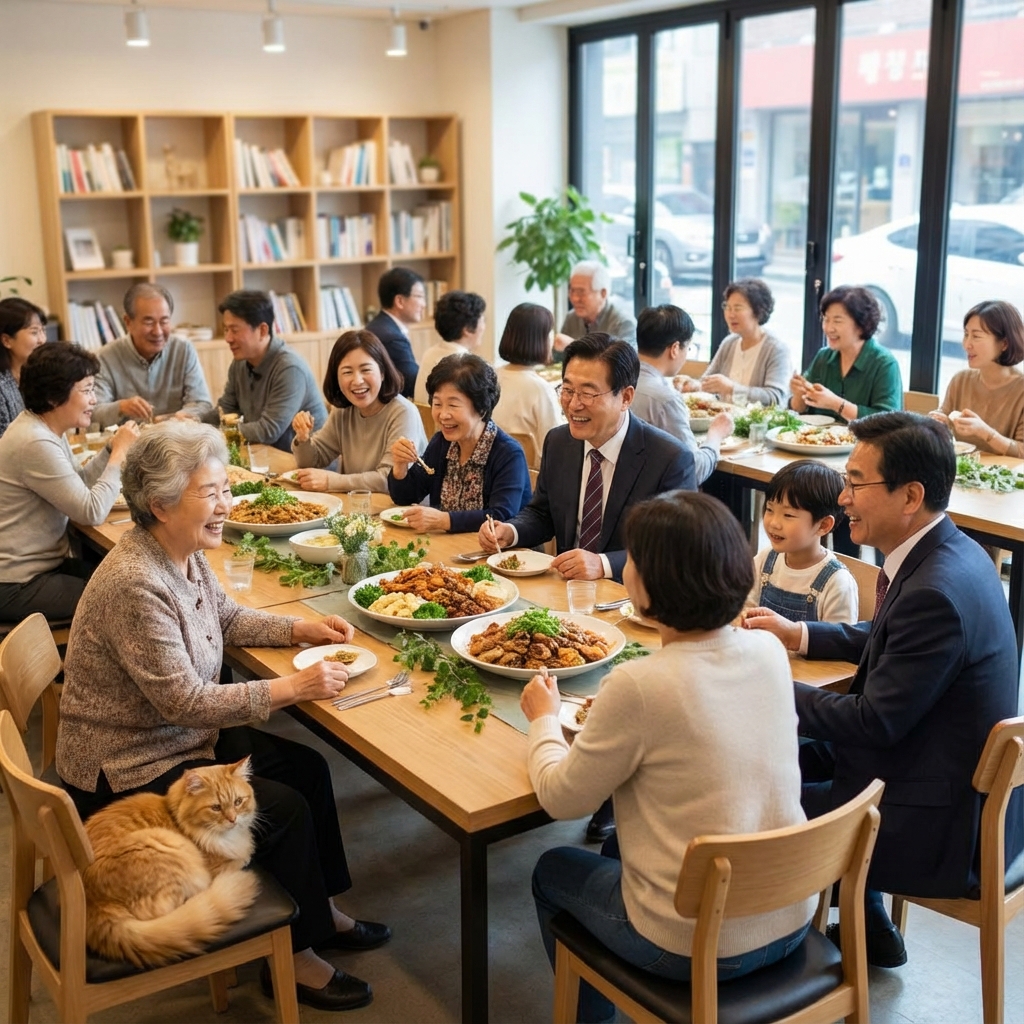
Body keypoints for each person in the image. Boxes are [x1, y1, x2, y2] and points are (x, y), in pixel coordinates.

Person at [55, 422, 391, 1012]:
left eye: (224, 490)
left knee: (307, 768)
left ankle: (322, 912)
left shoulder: (178, 550)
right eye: (211, 493)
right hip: (128, 762)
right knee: (280, 808)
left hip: (171, 736)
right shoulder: (137, 580)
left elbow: (227, 617)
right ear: (160, 503)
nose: (225, 505)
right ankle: (293, 955)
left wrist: (298, 629)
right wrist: (292, 686)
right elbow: (182, 699)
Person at [522, 491, 814, 1024]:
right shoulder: (770, 651)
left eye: (631, 557)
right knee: (615, 847)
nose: (625, 566)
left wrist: (542, 717)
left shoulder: (640, 683)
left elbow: (561, 799)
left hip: (693, 945)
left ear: (650, 583)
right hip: (792, 915)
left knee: (550, 869)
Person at [757, 412, 1022, 969]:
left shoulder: (934, 592)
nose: (843, 496)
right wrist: (798, 633)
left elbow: (874, 722)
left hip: (932, 821)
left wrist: (767, 683)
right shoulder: (952, 551)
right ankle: (865, 923)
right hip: (938, 770)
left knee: (753, 801)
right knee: (773, 755)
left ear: (910, 496)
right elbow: (888, 639)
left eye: (855, 482)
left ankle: (768, 958)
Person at [479, 334, 696, 585]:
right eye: (568, 390)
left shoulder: (669, 459)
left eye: (588, 393)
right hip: (564, 591)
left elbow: (672, 550)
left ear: (626, 397)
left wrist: (602, 564)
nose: (573, 404)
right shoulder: (559, 442)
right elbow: (543, 513)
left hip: (629, 597)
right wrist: (511, 531)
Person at [0, 342, 138, 623]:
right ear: (54, 397)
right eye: (86, 390)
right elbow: (91, 511)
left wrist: (111, 449)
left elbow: (81, 485)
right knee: (127, 599)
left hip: (40, 570)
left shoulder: (44, 427)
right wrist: (120, 455)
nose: (94, 400)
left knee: (133, 580)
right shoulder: (34, 441)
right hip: (16, 584)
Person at [388, 354, 531, 533]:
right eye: (437, 403)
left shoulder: (508, 453)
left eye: (453, 405)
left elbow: (501, 516)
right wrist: (400, 466)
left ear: (481, 408)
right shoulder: (442, 443)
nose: (443, 414)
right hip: (451, 547)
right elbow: (406, 497)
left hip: (499, 554)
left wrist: (444, 520)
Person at [291, 330, 427, 492]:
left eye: (366, 370)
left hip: (401, 511)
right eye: (347, 372)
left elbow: (389, 479)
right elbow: (312, 461)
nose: (357, 381)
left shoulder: (403, 412)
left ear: (382, 372)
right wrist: (303, 438)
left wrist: (332, 481)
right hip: (358, 508)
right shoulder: (343, 410)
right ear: (337, 378)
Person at [742, 460, 858, 628]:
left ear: (823, 525)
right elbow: (746, 610)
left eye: (788, 515)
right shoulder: (765, 560)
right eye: (769, 509)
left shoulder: (836, 583)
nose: (774, 523)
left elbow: (838, 645)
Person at [210, 290, 326, 451]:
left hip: (307, 465)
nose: (228, 338)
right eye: (226, 330)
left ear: (263, 330)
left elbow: (268, 431)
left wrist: (214, 434)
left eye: (234, 330)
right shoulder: (239, 363)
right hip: (267, 458)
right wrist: (193, 422)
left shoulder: (289, 368)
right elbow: (225, 410)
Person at [631, 304, 732, 485]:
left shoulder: (620, 378)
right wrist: (716, 434)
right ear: (675, 348)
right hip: (657, 504)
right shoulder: (665, 399)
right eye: (688, 349)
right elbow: (692, 470)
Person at [91, 282, 213, 428]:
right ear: (128, 322)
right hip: (127, 444)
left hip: (176, 439)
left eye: (164, 321)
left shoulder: (183, 350)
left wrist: (176, 418)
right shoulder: (105, 357)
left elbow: (202, 403)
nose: (158, 331)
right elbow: (93, 413)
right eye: (149, 322)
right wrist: (121, 407)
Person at [790, 285, 903, 422]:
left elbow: (889, 421)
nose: (828, 328)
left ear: (862, 325)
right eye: (826, 319)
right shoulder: (823, 357)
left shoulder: (884, 363)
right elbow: (799, 410)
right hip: (818, 440)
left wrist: (836, 404)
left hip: (865, 442)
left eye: (837, 321)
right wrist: (798, 395)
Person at [929, 300, 1024, 458]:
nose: (967, 344)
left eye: (976, 336)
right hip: (959, 476)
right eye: (966, 334)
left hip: (1003, 479)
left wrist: (985, 432)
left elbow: (1022, 451)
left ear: (1004, 344)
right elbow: (943, 425)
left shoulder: (1020, 390)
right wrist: (938, 423)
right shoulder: (960, 380)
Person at [675, 278, 792, 406]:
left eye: (737, 308)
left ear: (758, 312)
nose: (731, 314)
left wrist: (732, 388)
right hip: (724, 419)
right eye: (727, 307)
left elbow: (775, 398)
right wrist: (692, 384)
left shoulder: (776, 349)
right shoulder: (729, 343)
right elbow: (707, 382)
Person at [491, 303, 563, 469]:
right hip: (528, 479)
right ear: (540, 338)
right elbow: (556, 448)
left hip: (491, 473)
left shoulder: (490, 376)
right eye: (550, 332)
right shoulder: (540, 389)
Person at [413, 290, 486, 406]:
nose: (483, 327)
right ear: (467, 329)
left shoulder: (430, 353)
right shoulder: (466, 365)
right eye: (482, 321)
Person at [553, 261, 636, 357]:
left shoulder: (623, 323)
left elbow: (625, 364)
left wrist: (575, 346)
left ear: (603, 293)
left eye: (581, 292)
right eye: (572, 291)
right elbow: (560, 358)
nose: (575, 298)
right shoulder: (571, 317)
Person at [364, 267, 425, 399]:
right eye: (419, 296)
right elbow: (416, 384)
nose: (424, 304)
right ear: (400, 301)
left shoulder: (378, 326)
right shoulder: (392, 338)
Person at [0, 296, 47, 437]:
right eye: (34, 332)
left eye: (43, 331)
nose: (42, 340)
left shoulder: (42, 375)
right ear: (7, 340)